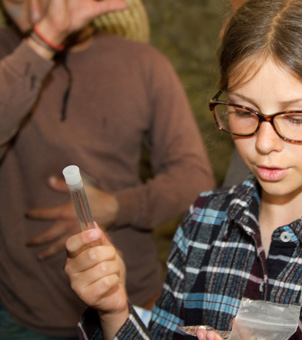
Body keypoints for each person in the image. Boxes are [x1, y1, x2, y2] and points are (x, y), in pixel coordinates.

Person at [65, 0, 302, 339]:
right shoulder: (204, 222)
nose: (265, 143)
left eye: (298, 117)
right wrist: (114, 310)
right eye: (245, 112)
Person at [0, 0, 215, 339]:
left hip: (133, 301)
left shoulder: (143, 64)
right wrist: (44, 40)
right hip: (25, 311)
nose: (37, 6)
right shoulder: (8, 63)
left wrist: (117, 205)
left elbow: (194, 177)